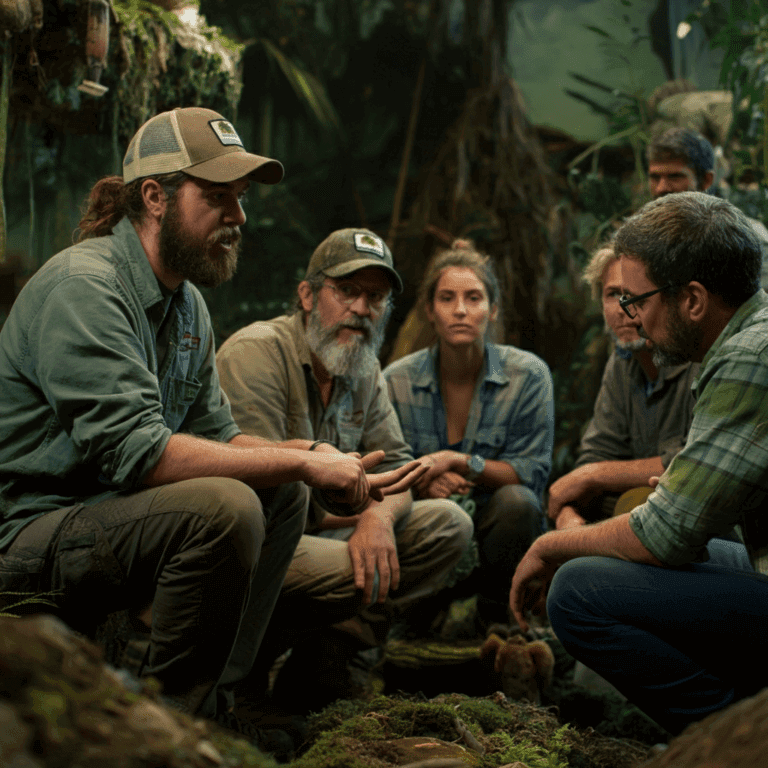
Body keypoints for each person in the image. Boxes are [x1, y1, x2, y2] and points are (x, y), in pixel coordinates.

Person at [0, 108, 426, 737]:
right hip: (31, 529)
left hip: (108, 516)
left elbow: (221, 436)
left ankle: (219, 707)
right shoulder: (85, 287)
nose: (239, 217)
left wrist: (308, 457)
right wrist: (305, 458)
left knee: (277, 491)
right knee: (226, 505)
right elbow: (137, 454)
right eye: (218, 197)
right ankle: (164, 721)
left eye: (242, 198)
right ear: (154, 197)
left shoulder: (187, 303)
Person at [511, 191, 768, 737]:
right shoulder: (747, 337)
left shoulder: (749, 357)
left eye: (637, 300)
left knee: (578, 591)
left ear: (693, 299)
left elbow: (664, 535)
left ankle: (729, 737)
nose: (631, 317)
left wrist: (547, 543)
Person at [215, 228, 472, 711]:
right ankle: (241, 677)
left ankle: (326, 661)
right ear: (308, 295)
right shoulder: (257, 353)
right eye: (347, 291)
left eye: (374, 297)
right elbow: (253, 488)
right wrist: (358, 518)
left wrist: (376, 518)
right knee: (355, 569)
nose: (361, 308)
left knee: (448, 526)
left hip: (329, 532)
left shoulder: (364, 367)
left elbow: (399, 470)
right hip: (257, 545)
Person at [383, 241, 554, 629]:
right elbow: (385, 467)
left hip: (499, 533)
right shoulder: (395, 381)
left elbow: (531, 473)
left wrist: (461, 462)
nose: (460, 310)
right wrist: (425, 483)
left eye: (473, 298)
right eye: (447, 298)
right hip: (428, 527)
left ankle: (501, 619)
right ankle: (414, 617)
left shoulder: (527, 376)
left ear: (492, 310)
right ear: (430, 311)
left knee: (518, 503)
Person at [547, 245, 697, 530]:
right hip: (637, 514)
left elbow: (697, 462)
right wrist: (569, 514)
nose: (622, 308)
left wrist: (594, 475)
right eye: (613, 294)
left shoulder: (697, 357)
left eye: (633, 294)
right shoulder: (622, 361)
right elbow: (597, 452)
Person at [647, 127, 768, 287]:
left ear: (706, 180)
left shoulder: (748, 238)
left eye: (675, 176)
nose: (661, 188)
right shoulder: (640, 239)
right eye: (655, 177)